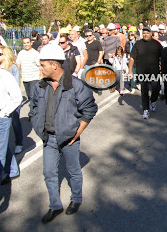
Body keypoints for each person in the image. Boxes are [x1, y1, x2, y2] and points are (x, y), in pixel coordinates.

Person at [31, 44, 98, 224]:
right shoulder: (40, 86)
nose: (40, 68)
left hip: (69, 138)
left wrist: (78, 133)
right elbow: (34, 108)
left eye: (42, 64)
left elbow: (90, 109)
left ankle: (76, 199)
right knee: (49, 173)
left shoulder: (75, 85)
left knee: (73, 171)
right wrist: (38, 126)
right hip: (49, 137)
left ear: (54, 65)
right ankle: (55, 205)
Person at [0, 45, 21, 206]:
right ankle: (13, 170)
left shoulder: (5, 76)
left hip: (0, 118)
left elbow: (17, 98)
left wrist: (4, 113)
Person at [128, 26, 163, 119]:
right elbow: (132, 58)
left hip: (154, 72)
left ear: (151, 34)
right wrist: (130, 70)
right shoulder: (138, 44)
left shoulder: (156, 44)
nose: (145, 34)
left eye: (147, 33)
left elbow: (163, 56)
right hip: (142, 72)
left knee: (156, 89)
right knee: (144, 91)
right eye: (144, 33)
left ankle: (153, 101)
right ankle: (146, 110)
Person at [0, 46, 24, 154]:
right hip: (0, 102)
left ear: (6, 55)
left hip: (11, 101)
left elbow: (16, 86)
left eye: (0, 54)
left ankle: (19, 143)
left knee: (15, 122)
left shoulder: (13, 68)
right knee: (0, 128)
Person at [16, 37, 40, 119]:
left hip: (34, 77)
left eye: (27, 42)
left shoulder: (36, 53)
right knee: (30, 96)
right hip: (25, 78)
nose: (26, 44)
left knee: (32, 96)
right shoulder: (21, 53)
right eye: (24, 43)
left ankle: (32, 114)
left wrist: (40, 77)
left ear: (31, 43)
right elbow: (18, 65)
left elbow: (40, 66)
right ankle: (36, 108)